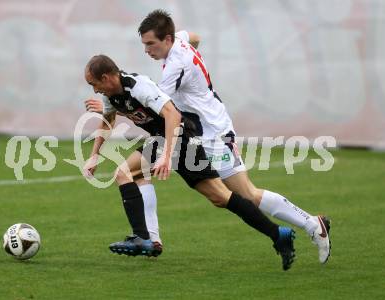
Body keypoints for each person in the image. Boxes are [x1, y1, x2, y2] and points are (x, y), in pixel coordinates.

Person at [86, 9, 331, 264]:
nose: (147, 50)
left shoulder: (173, 70)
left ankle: (310, 225)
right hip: (201, 127)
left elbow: (162, 110)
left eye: (151, 44)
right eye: (144, 44)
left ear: (167, 39)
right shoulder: (178, 41)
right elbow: (194, 37)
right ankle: (149, 238)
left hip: (211, 131)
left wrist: (165, 153)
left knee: (242, 194)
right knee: (212, 193)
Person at [83, 54, 296, 270]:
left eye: (94, 84)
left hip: (178, 138)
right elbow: (107, 121)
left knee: (124, 173)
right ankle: (279, 234)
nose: (95, 90)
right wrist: (94, 155)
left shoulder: (138, 86)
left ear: (107, 77)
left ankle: (142, 237)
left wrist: (166, 155)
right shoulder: (111, 97)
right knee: (220, 197)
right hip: (166, 140)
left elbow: (173, 115)